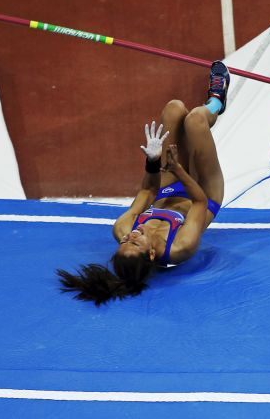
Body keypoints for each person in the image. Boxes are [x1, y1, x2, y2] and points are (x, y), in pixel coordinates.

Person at [57, 61, 230, 306]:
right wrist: (178, 169)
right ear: (151, 253)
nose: (131, 235)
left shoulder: (123, 228)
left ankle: (201, 115)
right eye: (135, 241)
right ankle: (217, 100)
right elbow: (200, 200)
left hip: (167, 188)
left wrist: (152, 161)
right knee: (195, 121)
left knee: (174, 109)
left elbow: (148, 190)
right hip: (204, 193)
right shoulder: (181, 246)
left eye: (124, 242)